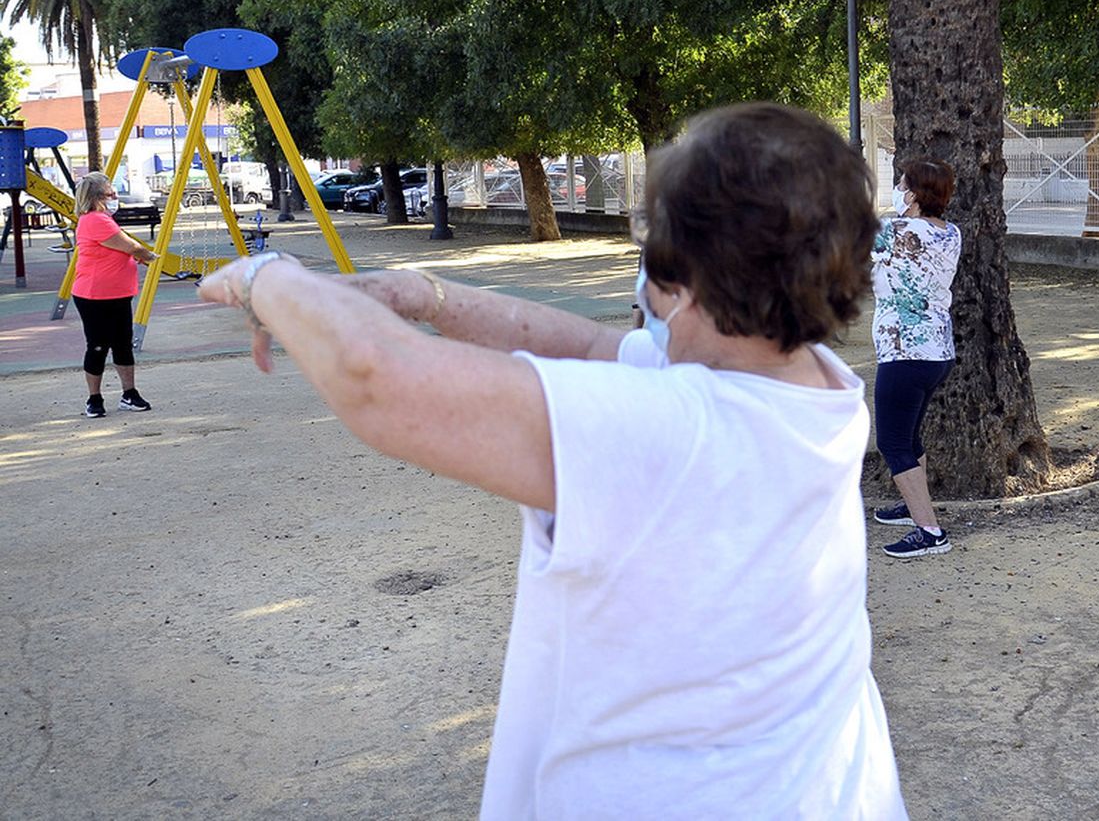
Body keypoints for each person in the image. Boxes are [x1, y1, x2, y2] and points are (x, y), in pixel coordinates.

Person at [198, 104, 909, 819]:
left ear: (685, 277)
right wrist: (424, 294)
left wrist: (270, 276)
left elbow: (375, 377)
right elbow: (597, 349)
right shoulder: (811, 383)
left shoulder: (674, 433)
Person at [869, 158, 962, 559]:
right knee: (910, 437)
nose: (897, 189)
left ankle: (930, 531)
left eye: (901, 184)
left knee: (892, 443)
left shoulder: (894, 231)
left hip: (903, 352)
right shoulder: (951, 233)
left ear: (913, 194)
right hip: (936, 351)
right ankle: (912, 508)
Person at [71, 172, 160, 417]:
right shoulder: (94, 220)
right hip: (94, 295)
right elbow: (129, 245)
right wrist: (149, 256)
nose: (115, 197)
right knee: (98, 345)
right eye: (111, 193)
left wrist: (135, 256)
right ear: (97, 197)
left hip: (118, 293)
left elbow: (118, 250)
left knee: (122, 343)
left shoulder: (102, 219)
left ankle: (129, 394)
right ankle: (94, 398)